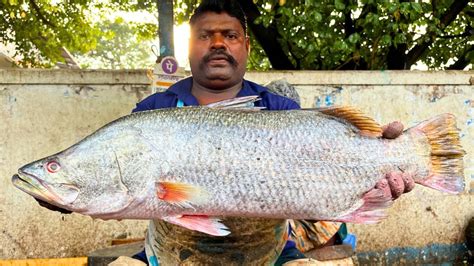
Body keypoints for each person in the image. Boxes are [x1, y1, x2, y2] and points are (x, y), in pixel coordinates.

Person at [129, 1, 414, 265]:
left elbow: (312, 196)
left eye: (230, 35)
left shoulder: (278, 108)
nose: (218, 43)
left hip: (271, 255)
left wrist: (377, 177)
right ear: (189, 46)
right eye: (205, 36)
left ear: (247, 46)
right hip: (169, 255)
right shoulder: (153, 112)